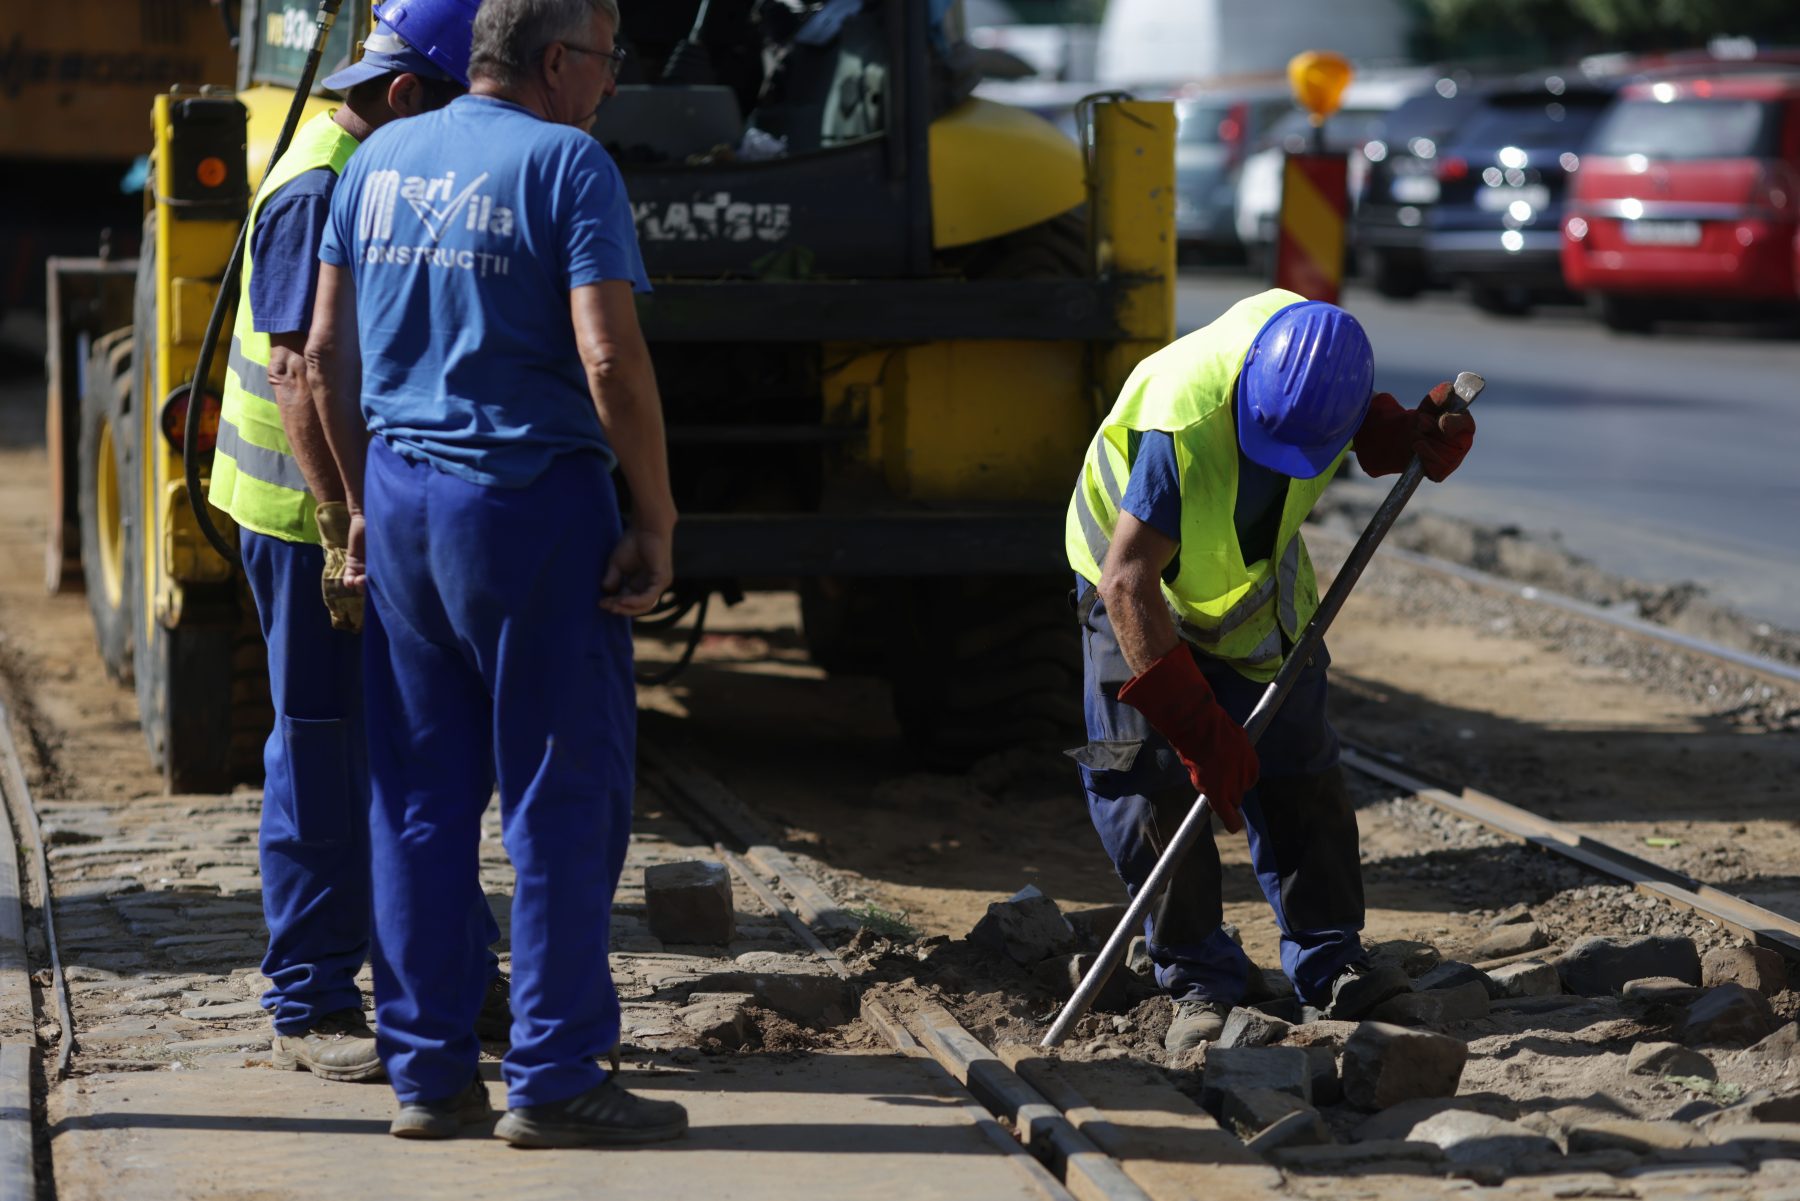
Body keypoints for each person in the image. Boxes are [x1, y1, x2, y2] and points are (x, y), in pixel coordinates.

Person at [306, 0, 685, 1146]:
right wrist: (658, 516)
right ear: (558, 60)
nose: (612, 87)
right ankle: (556, 1075)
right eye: (608, 63)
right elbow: (608, 354)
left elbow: (322, 356)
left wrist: (360, 506)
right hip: (529, 509)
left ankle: (428, 1077)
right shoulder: (571, 166)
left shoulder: (373, 162)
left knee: (418, 798)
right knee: (560, 798)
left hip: (407, 501)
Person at [208, 0, 508, 1084]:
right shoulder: (322, 182)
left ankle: (447, 975)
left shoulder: (358, 160)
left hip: (348, 520)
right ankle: (314, 999)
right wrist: (344, 527)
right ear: (400, 94)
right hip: (303, 526)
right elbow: (297, 373)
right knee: (326, 755)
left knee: (407, 750)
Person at [1064, 288, 1476, 1055]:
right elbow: (1128, 581)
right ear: (1252, 389)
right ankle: (1195, 973)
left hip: (1248, 592)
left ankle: (1329, 960)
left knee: (1297, 764)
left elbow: (1357, 428)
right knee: (1148, 778)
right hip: (1133, 591)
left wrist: (1398, 435)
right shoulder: (1180, 421)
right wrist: (1194, 725)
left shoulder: (1323, 364)